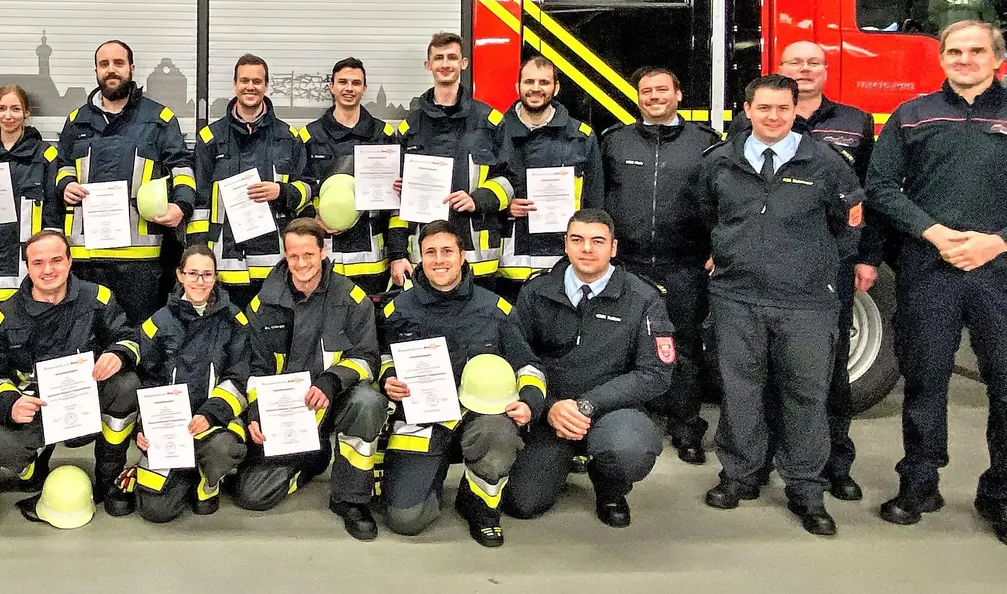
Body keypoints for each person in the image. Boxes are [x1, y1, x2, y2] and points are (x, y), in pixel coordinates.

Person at [868, 21, 1007, 553]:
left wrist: (998, 242)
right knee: (925, 382)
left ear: (999, 58)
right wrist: (932, 232)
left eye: (977, 51)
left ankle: (1005, 499)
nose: (964, 59)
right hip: (932, 268)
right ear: (942, 59)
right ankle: (918, 485)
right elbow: (882, 186)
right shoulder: (912, 115)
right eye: (954, 51)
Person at [694, 74, 862, 537]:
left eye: (782, 109)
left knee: (806, 395)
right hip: (737, 297)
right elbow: (710, 215)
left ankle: (807, 488)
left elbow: (848, 225)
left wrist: (811, 267)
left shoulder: (827, 162)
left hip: (805, 303)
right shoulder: (720, 162)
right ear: (747, 110)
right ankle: (739, 475)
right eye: (763, 108)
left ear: (795, 112)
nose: (773, 117)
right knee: (739, 390)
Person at [730, 41, 883, 499]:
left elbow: (866, 197)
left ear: (825, 70)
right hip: (761, 268)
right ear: (778, 72)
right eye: (794, 62)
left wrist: (866, 257)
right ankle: (758, 465)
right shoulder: (745, 126)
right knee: (762, 375)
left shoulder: (854, 122)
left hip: (825, 272)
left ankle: (835, 464)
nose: (804, 68)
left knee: (827, 374)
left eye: (813, 62)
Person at [209, 218, 388, 540]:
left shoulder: (352, 299)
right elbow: (254, 366)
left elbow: (368, 358)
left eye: (308, 254)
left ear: (323, 251)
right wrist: (254, 413)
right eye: (294, 256)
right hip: (287, 414)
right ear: (285, 256)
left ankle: (351, 500)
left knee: (367, 402)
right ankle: (312, 459)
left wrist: (332, 381)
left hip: (335, 401)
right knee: (251, 496)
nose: (302, 263)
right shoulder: (263, 304)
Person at [378, 221, 546, 547]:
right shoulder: (396, 310)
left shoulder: (495, 309)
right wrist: (388, 380)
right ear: (419, 257)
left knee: (498, 433)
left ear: (462, 255)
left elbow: (528, 365)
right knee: (405, 519)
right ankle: (427, 480)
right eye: (430, 252)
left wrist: (528, 401)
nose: (439, 260)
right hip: (422, 419)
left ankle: (479, 504)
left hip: (479, 417)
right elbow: (384, 358)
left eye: (447, 251)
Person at [502, 210, 673, 528]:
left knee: (629, 450)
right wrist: (549, 406)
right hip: (549, 415)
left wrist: (587, 405)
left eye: (598, 241)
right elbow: (516, 356)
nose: (587, 249)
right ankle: (559, 460)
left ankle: (610, 486)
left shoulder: (643, 299)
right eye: (577, 240)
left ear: (614, 248)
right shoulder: (536, 292)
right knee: (521, 503)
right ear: (565, 245)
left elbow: (655, 373)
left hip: (611, 411)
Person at [600, 66, 719, 464]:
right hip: (628, 265)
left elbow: (721, 202)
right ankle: (629, 421)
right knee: (623, 346)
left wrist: (716, 248)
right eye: (646, 91)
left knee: (682, 347)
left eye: (661, 90)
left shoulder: (705, 145)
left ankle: (686, 427)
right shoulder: (614, 142)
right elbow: (598, 203)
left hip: (684, 265)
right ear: (638, 98)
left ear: (678, 94)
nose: (653, 97)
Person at [0, 230, 144, 518]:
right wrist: (11, 403)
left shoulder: (97, 297)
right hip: (39, 407)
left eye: (57, 260)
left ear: (70, 261)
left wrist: (117, 354)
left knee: (126, 386)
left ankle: (109, 479)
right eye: (38, 263)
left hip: (89, 400)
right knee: (2, 445)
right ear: (28, 267)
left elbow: (130, 337)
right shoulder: (6, 315)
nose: (48, 270)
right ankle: (31, 470)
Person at [56, 40, 196, 324]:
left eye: (118, 64)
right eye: (104, 64)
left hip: (141, 262)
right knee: (89, 338)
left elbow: (181, 166)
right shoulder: (76, 121)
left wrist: (181, 205)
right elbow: (61, 165)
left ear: (131, 69)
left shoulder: (159, 119)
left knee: (140, 339)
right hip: (86, 258)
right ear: (96, 70)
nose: (111, 70)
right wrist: (66, 184)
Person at [130, 245, 251, 523]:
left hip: (214, 424)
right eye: (193, 273)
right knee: (155, 511)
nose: (200, 281)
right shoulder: (156, 324)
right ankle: (184, 473)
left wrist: (210, 413)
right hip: (169, 430)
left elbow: (240, 377)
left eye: (207, 275)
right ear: (180, 275)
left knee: (226, 449)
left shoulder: (234, 321)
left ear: (216, 277)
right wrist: (144, 427)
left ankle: (208, 482)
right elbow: (149, 381)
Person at [192, 54, 312, 308]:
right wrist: (198, 255)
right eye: (244, 80)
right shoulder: (210, 138)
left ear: (266, 86)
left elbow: (308, 187)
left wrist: (281, 190)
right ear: (235, 84)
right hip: (224, 260)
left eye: (257, 81)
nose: (250, 86)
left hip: (274, 260)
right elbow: (200, 202)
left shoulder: (288, 137)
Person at [389, 33, 510, 286]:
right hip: (424, 257)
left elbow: (510, 179)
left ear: (463, 63)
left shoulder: (489, 122)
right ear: (428, 65)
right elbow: (395, 202)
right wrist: (398, 252)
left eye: (452, 58)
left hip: (477, 255)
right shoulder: (409, 127)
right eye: (438, 58)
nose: (445, 64)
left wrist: (477, 199)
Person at [497, 56, 603, 303]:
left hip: (562, 264)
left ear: (556, 88)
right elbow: (479, 188)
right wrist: (503, 207)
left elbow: (595, 202)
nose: (535, 88)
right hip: (506, 265)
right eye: (529, 81)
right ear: (517, 86)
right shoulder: (494, 133)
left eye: (543, 82)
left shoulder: (581, 137)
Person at [302, 57, 401, 298]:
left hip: (373, 261)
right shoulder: (309, 135)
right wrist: (311, 220)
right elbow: (299, 188)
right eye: (342, 82)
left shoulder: (384, 134)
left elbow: (398, 206)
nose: (349, 88)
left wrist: (398, 254)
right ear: (331, 87)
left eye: (356, 83)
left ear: (364, 88)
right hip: (325, 256)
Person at [0, 85, 62, 299]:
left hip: (30, 264)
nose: (8, 116)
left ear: (26, 113)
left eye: (15, 109)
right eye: (1, 109)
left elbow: (53, 213)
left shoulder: (46, 155)